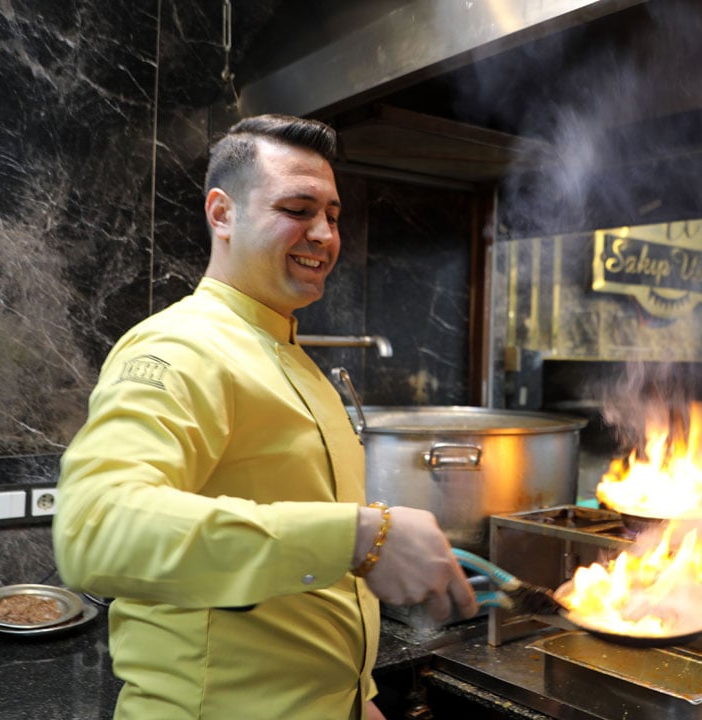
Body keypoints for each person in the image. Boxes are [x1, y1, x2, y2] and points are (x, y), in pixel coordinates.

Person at [53, 114, 477, 720]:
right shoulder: (180, 349)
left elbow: (304, 592)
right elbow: (94, 528)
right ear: (222, 214)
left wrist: (357, 700)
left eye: (332, 215)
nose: (324, 235)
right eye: (297, 209)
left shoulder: (293, 358)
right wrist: (360, 535)